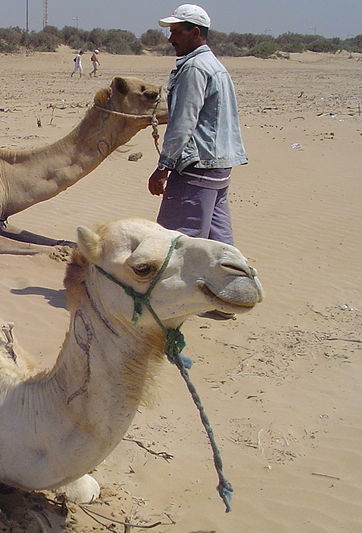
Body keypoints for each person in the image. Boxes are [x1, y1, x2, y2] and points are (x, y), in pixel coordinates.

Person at [148, 4, 247, 319]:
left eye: (176, 32)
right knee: (219, 237)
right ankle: (229, 300)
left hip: (197, 165)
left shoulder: (193, 68)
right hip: (219, 164)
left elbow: (183, 122)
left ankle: (167, 308)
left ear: (196, 32)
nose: (170, 38)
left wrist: (163, 165)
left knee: (177, 240)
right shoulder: (213, 64)